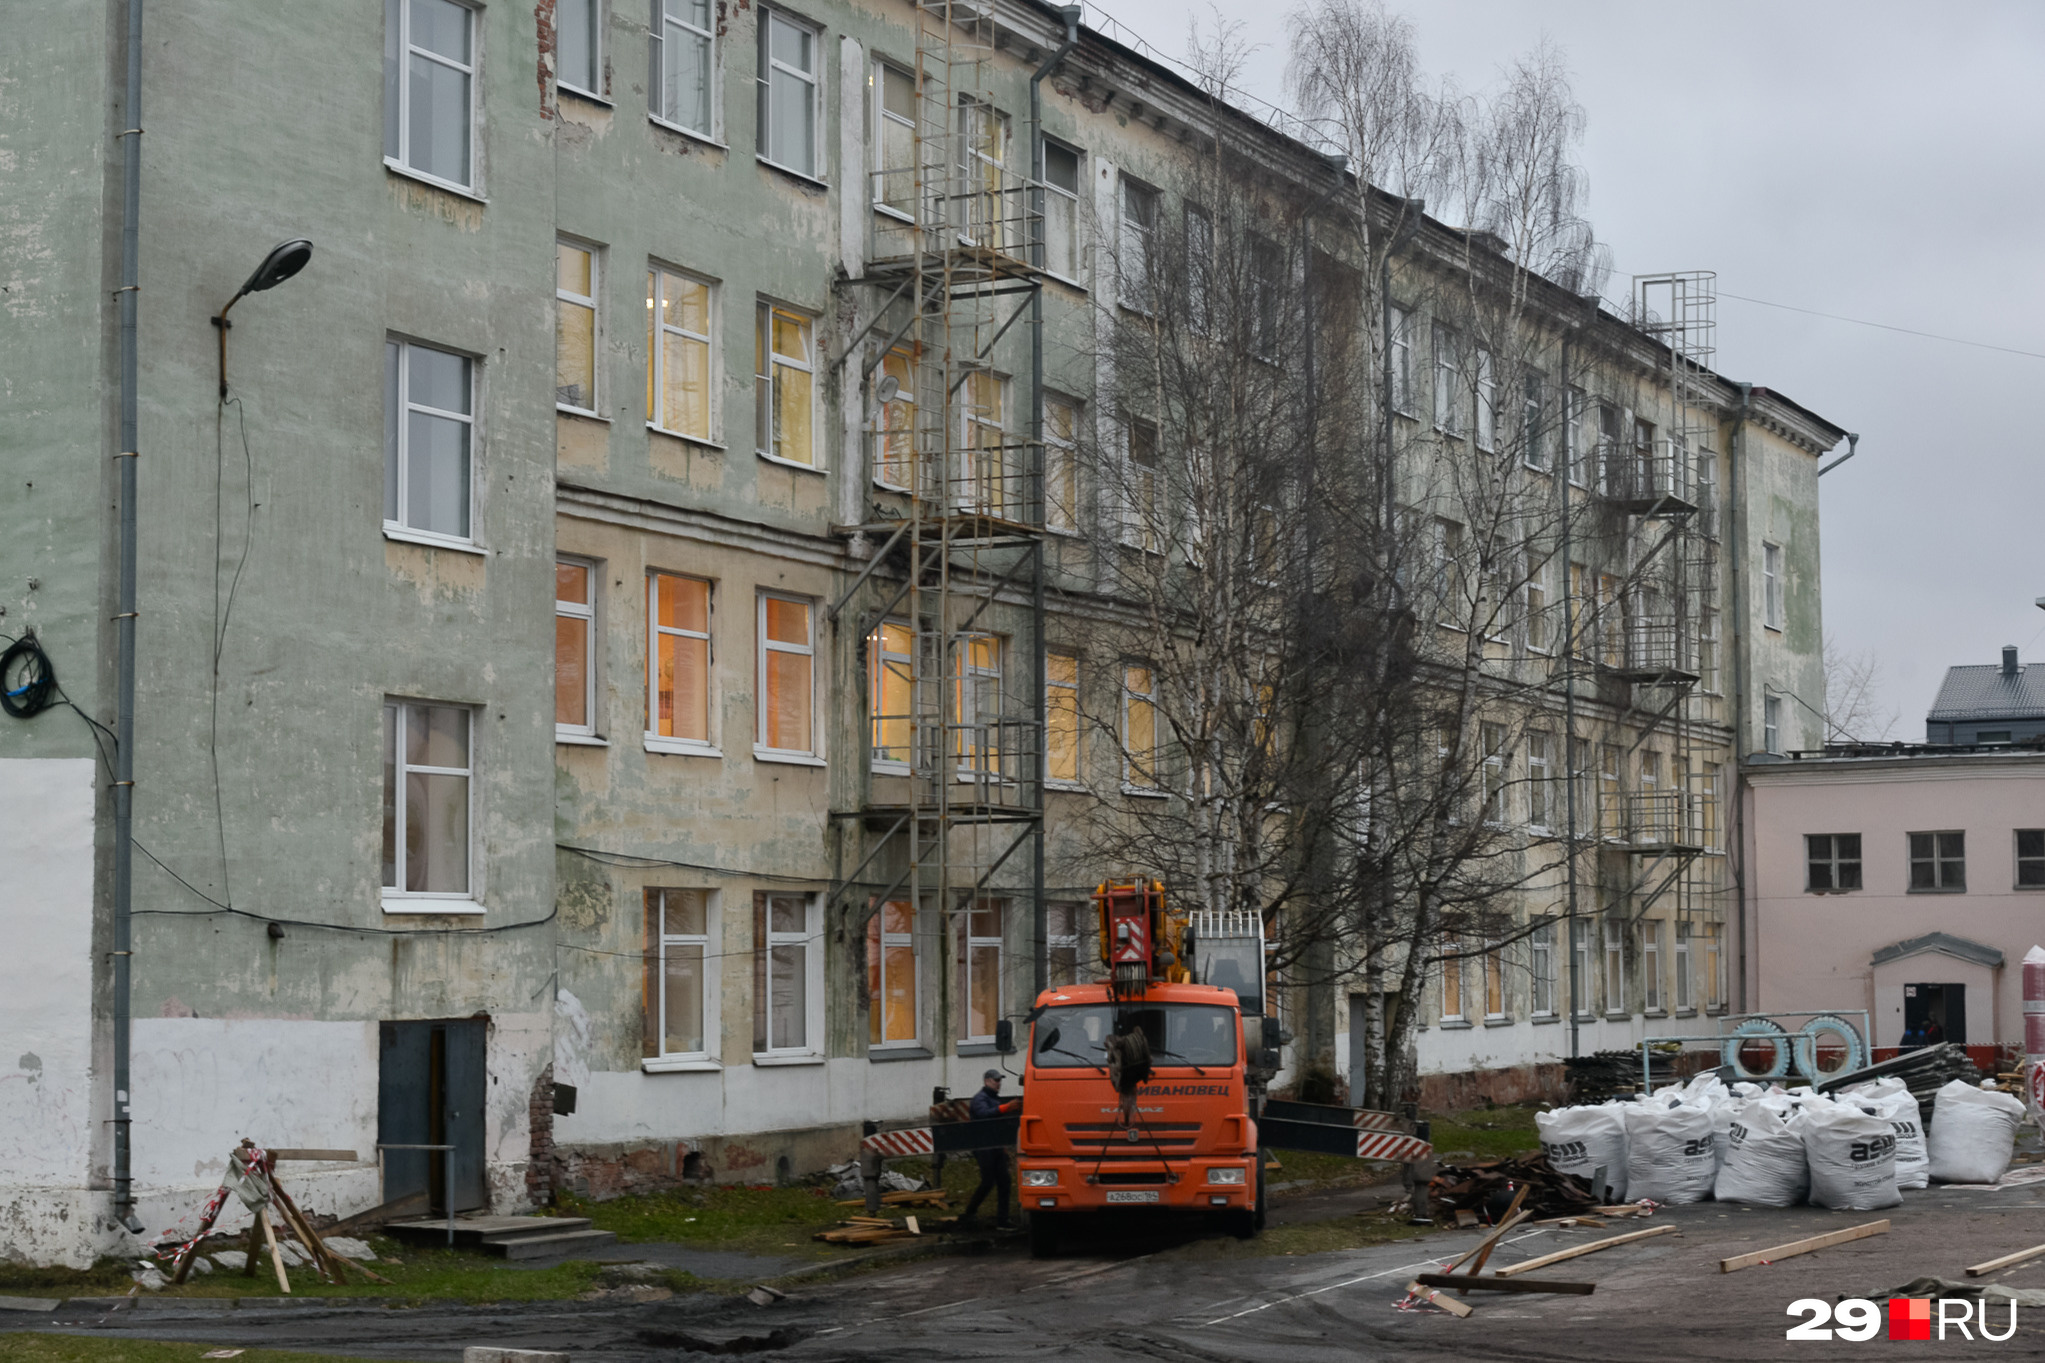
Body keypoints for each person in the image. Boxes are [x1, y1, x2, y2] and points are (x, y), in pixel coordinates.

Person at [958, 1069, 1016, 1229]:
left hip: (994, 1147)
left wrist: (1003, 1148)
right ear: (987, 1081)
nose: (999, 1083)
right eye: (996, 1080)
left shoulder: (992, 1099)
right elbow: (984, 1114)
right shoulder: (980, 1099)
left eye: (999, 1080)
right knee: (988, 1182)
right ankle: (970, 1212)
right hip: (984, 1148)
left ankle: (1002, 1221)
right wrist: (1005, 1108)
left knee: (1004, 1182)